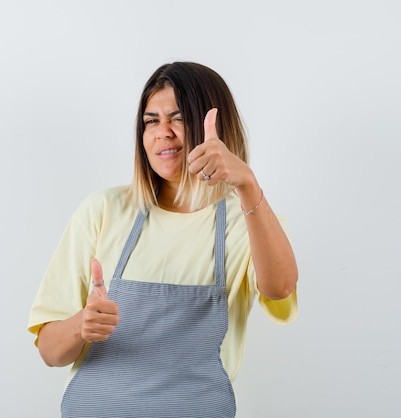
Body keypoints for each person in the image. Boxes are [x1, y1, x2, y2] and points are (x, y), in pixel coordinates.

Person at [28, 61, 298, 417]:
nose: (163, 132)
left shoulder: (248, 220)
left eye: (179, 117)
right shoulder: (102, 211)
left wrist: (247, 185)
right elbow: (50, 351)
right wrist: (82, 325)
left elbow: (279, 288)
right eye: (151, 121)